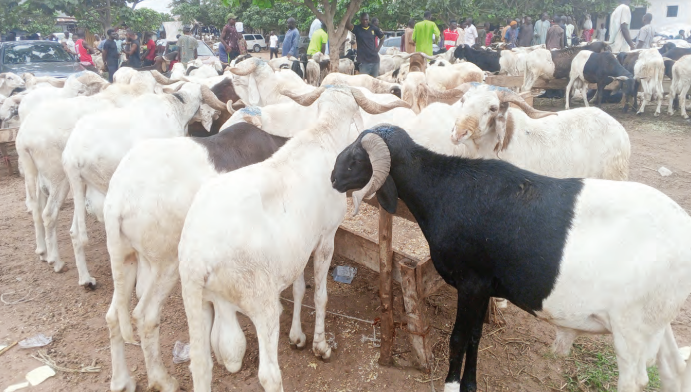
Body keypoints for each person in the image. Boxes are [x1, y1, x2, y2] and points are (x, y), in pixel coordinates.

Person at [347, 13, 385, 77]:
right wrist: (349, 12)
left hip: (375, 61)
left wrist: (378, 48)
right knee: (364, 83)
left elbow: (382, 37)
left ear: (368, 20)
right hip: (364, 62)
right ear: (360, 20)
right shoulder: (357, 29)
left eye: (366, 19)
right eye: (363, 20)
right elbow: (347, 25)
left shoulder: (374, 28)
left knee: (374, 82)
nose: (365, 21)